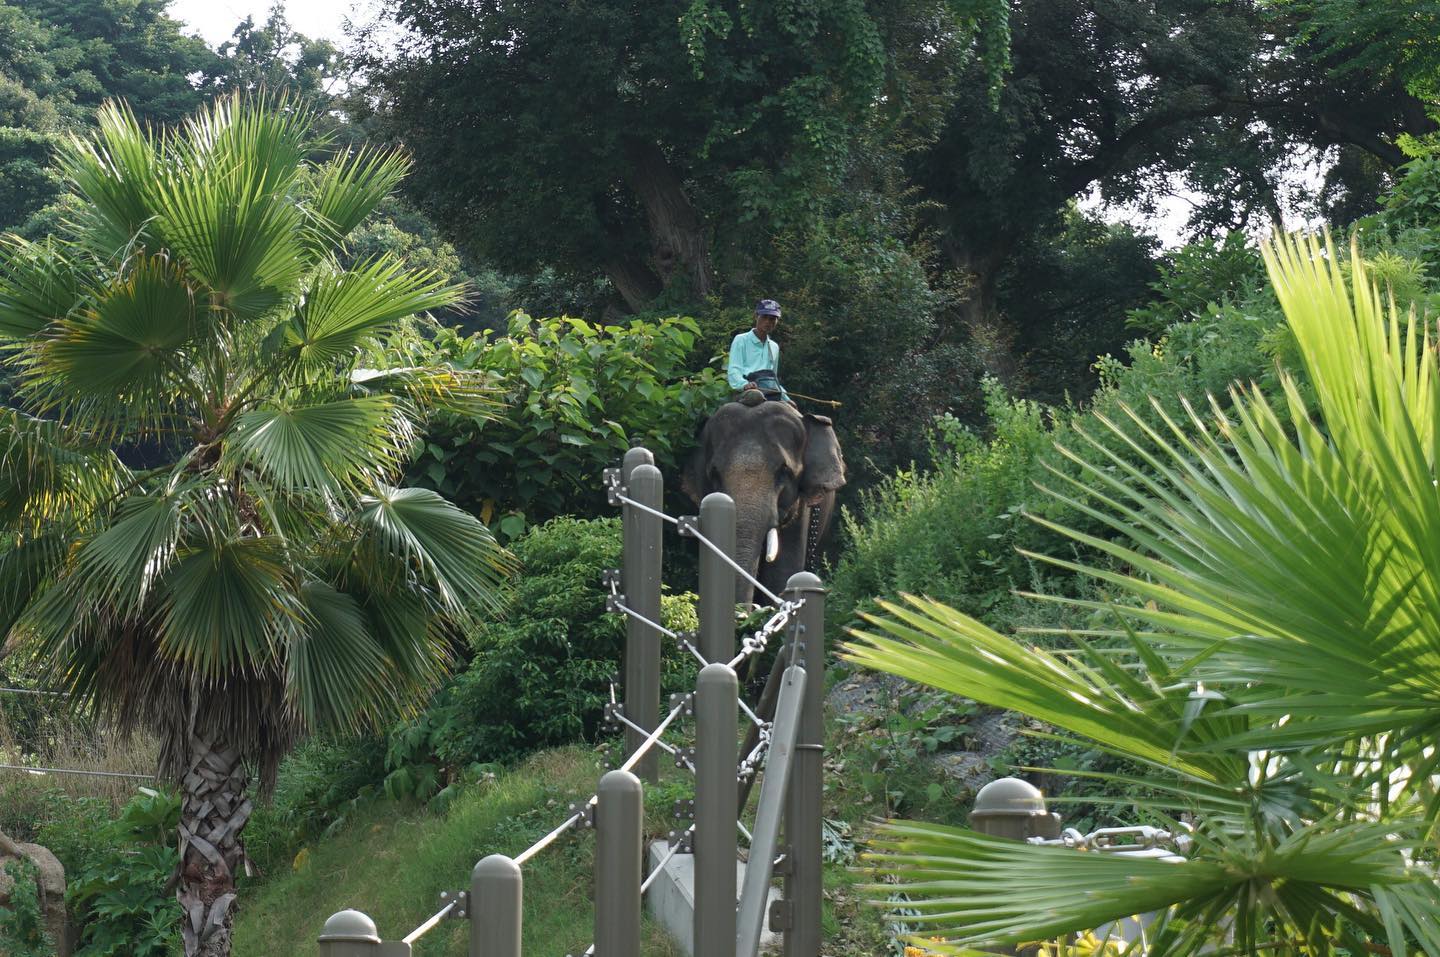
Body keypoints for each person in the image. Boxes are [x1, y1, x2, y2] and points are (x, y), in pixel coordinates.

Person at [727, 299, 791, 403]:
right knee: (756, 396)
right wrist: (744, 384)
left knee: (792, 409)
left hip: (769, 391)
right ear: (756, 316)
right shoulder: (741, 340)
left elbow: (773, 378)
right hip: (747, 391)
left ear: (777, 321)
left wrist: (786, 398)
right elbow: (734, 370)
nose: (768, 322)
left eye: (772, 319)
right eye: (764, 317)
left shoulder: (774, 347)